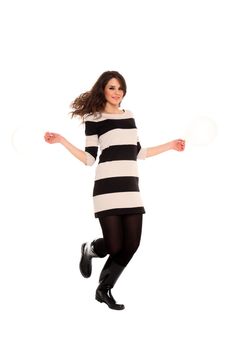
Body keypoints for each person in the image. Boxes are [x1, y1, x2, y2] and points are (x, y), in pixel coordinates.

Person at [44, 71, 185, 311]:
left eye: (120, 88)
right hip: (107, 187)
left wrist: (171, 146)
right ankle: (91, 249)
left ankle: (104, 289)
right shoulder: (94, 118)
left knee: (131, 244)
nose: (117, 92)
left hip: (130, 187)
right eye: (111, 87)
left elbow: (137, 152)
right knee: (114, 244)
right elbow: (89, 159)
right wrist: (62, 141)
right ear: (103, 90)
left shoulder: (129, 116)